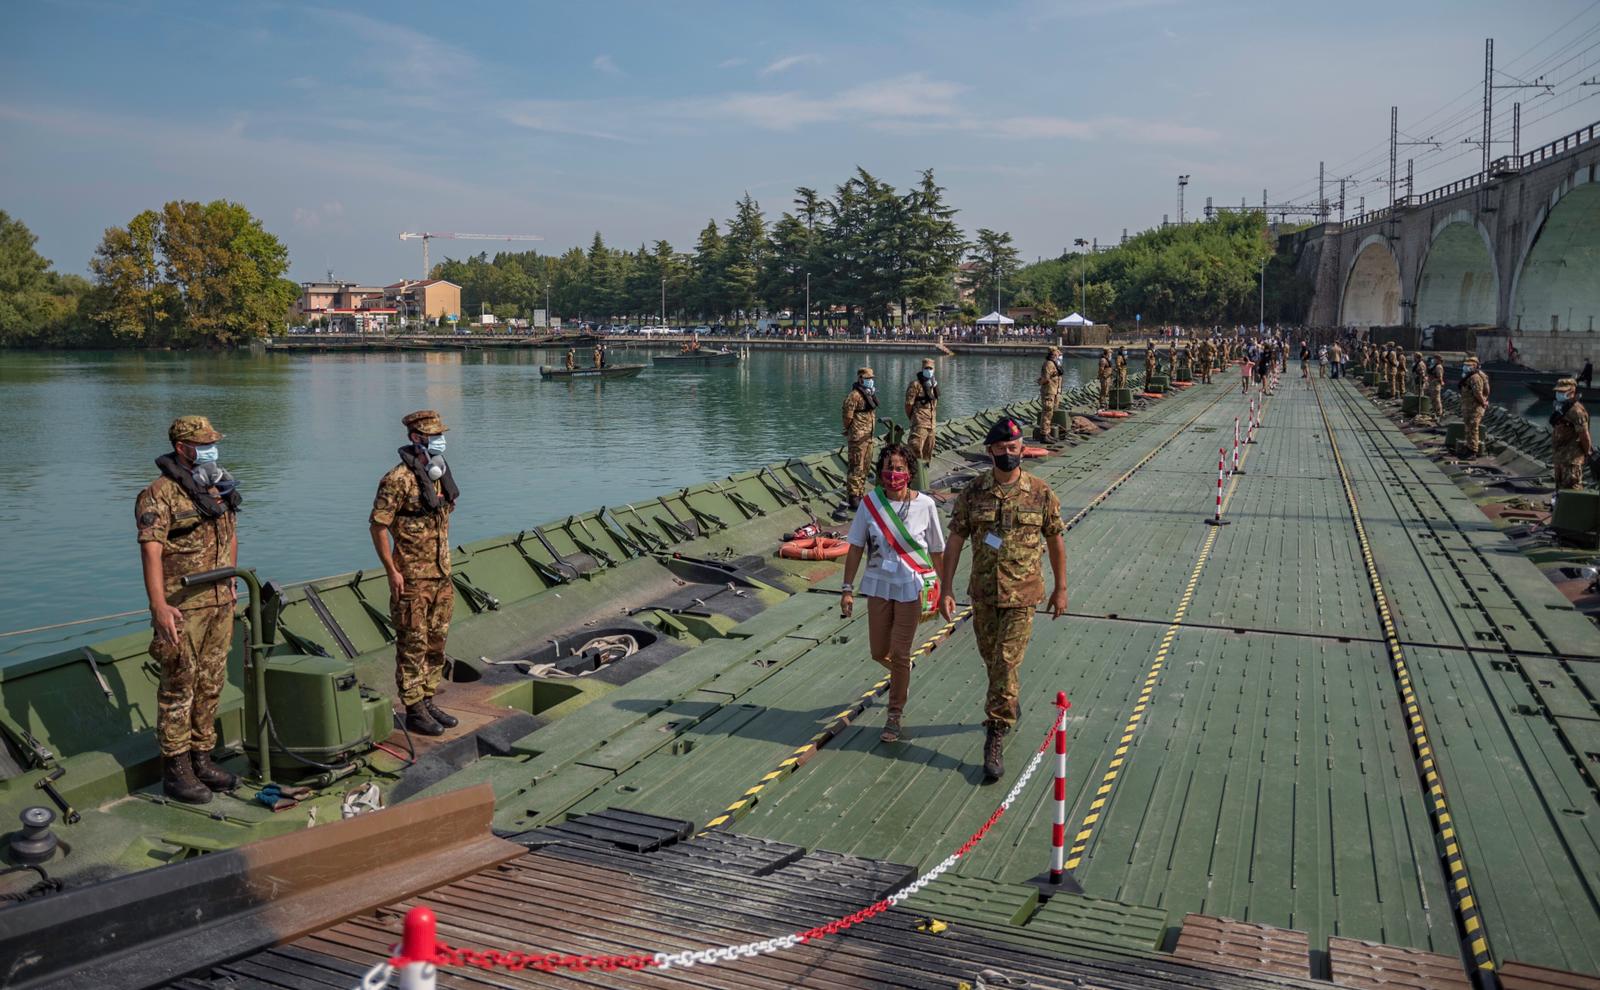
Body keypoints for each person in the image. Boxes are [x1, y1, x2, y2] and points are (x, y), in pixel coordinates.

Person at [938, 418, 1068, 782]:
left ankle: (995, 730)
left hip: (1023, 593)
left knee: (1007, 661)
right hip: (984, 593)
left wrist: (1061, 588)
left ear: (1022, 449)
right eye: (1001, 448)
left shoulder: (1041, 493)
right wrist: (946, 588)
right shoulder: (973, 492)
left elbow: (1055, 540)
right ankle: (1008, 698)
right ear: (990, 451)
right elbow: (955, 541)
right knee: (993, 659)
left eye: (1014, 447)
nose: (1008, 453)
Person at [137, 415, 242, 805]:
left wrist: (231, 580)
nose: (211, 449)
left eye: (213, 442)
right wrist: (158, 605)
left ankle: (202, 758)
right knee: (179, 686)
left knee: (211, 682)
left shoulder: (215, 485)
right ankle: (176, 769)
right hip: (182, 607)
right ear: (182, 447)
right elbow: (151, 550)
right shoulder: (159, 494)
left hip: (218, 601)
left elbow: (230, 534)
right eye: (203, 444)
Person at [839, 444, 946, 744]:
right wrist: (847, 589)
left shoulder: (925, 505)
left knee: (900, 652)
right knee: (878, 652)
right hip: (878, 584)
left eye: (899, 468)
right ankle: (902, 673)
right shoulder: (870, 503)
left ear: (910, 472)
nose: (893, 474)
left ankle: (894, 714)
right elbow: (856, 547)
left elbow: (937, 550)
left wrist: (946, 588)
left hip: (911, 587)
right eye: (888, 468)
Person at [370, 410, 460, 736]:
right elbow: (378, 526)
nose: (440, 440)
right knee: (413, 644)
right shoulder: (397, 480)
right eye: (433, 436)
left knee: (436, 643)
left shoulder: (437, 474)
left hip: (441, 574)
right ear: (415, 438)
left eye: (440, 435)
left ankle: (428, 698)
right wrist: (392, 571)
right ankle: (413, 708)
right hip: (411, 578)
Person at [841, 367, 878, 510]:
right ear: (860, 379)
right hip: (858, 438)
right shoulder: (854, 396)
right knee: (856, 467)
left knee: (865, 467)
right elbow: (847, 417)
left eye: (871, 378)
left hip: (868, 437)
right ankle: (853, 497)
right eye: (868, 379)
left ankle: (861, 492)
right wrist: (851, 430)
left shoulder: (869, 394)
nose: (870, 381)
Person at [1551, 378, 1592, 492]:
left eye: (1562, 392)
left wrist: (1587, 453)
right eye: (1558, 391)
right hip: (1560, 457)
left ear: (1572, 392)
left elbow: (1584, 436)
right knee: (1560, 489)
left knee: (1572, 490)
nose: (1559, 394)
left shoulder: (1577, 411)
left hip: (1571, 459)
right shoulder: (1562, 407)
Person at [905, 359, 939, 466]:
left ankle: (924, 473)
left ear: (934, 370)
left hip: (931, 425)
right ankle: (914, 474)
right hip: (919, 424)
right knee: (915, 449)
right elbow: (908, 405)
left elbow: (934, 404)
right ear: (922, 369)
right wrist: (914, 418)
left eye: (930, 368)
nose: (928, 370)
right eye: (926, 368)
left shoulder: (933, 385)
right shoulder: (915, 385)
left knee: (928, 453)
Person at [1458, 356, 1490, 457]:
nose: (1466, 367)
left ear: (1475, 366)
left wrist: (1483, 403)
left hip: (1474, 407)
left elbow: (1478, 393)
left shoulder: (1475, 377)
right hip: (1468, 405)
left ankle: (1473, 450)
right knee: (1468, 427)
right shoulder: (1468, 376)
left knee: (1473, 427)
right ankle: (1468, 446)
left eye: (1469, 365)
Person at [1038, 347, 1064, 439]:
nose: (1059, 354)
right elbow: (1045, 378)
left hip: (1053, 390)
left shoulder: (1054, 363)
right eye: (1057, 353)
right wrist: (1040, 382)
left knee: (1050, 413)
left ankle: (1047, 433)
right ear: (1053, 354)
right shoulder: (1049, 363)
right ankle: (1044, 434)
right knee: (1047, 412)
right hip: (1048, 391)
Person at [1425, 355, 1445, 424]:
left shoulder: (1439, 367)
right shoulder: (1433, 366)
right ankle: (1434, 412)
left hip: (1435, 385)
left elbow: (1440, 377)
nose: (1433, 360)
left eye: (1435, 359)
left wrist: (1439, 382)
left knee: (1436, 399)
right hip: (1431, 384)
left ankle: (1439, 413)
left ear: (1438, 360)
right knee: (1433, 399)